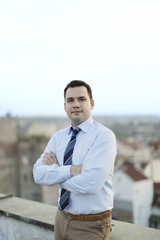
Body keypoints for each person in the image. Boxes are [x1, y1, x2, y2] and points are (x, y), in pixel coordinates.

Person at [33, 80, 117, 240]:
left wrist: (55, 174)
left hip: (91, 225)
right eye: (70, 100)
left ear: (91, 103)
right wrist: (71, 170)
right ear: (65, 106)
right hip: (61, 218)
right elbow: (38, 174)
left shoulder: (104, 136)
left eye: (82, 99)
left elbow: (91, 184)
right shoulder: (58, 137)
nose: (76, 104)